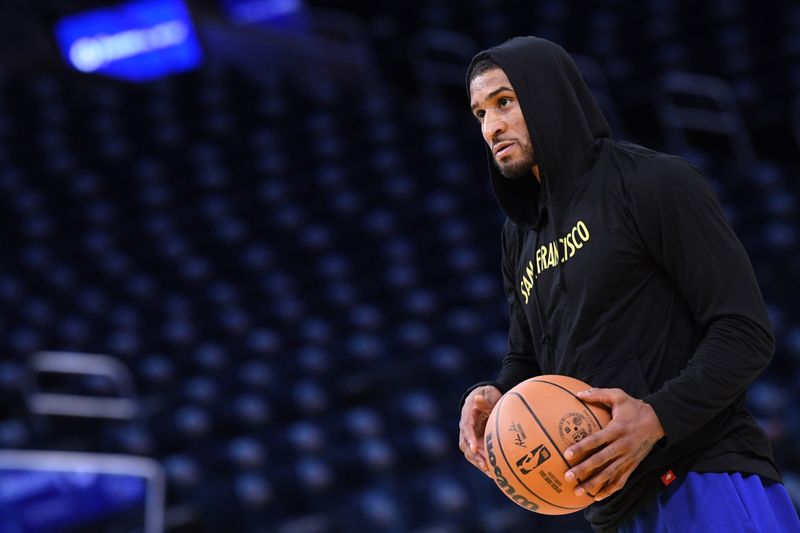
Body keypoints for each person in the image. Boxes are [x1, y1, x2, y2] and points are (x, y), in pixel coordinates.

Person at [457, 36, 800, 532]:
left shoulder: (652, 182)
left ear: (548, 93)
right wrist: (497, 396)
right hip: (615, 510)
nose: (491, 127)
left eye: (503, 102)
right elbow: (529, 360)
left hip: (704, 477)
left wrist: (656, 417)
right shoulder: (518, 237)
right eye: (480, 114)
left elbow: (745, 333)